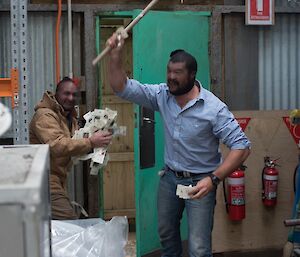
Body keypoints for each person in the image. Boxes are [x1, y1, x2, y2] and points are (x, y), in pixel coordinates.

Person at [106, 34, 251, 257]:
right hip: (171, 178)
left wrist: (214, 179)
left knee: (199, 247)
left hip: (201, 181)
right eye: (169, 71)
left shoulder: (214, 108)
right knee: (166, 234)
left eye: (178, 73)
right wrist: (115, 55)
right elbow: (121, 87)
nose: (171, 78)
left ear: (192, 75)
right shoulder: (162, 95)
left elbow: (241, 146)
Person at [29, 77, 112, 220]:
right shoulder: (44, 116)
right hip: (44, 180)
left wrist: (98, 142)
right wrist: (91, 142)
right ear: (56, 94)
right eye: (66, 93)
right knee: (70, 223)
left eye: (74, 95)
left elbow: (75, 144)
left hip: (57, 181)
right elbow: (57, 145)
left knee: (54, 228)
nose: (70, 98)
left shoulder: (70, 119)